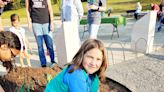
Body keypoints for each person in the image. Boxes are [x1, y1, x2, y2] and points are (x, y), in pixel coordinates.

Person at [25, 0, 56, 67]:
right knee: (40, 45)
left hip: (46, 22)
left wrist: (52, 23)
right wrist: (29, 22)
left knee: (49, 44)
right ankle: (43, 63)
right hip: (36, 23)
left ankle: (53, 60)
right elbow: (27, 9)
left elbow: (50, 9)